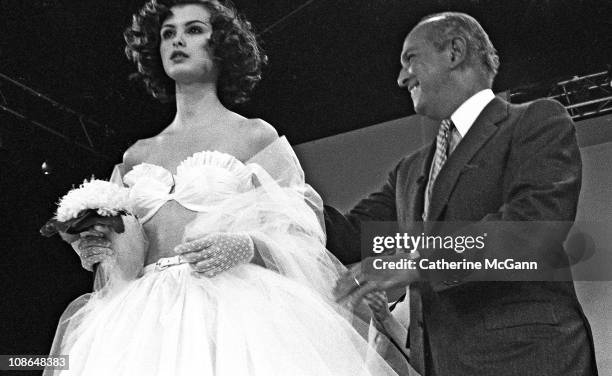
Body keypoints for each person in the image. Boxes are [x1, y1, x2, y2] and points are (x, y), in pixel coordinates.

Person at [44, 1, 399, 375]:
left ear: (222, 45)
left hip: (235, 310)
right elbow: (127, 266)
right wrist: (102, 246)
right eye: (168, 33)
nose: (177, 40)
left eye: (193, 30)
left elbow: (303, 235)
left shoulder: (253, 136)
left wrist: (250, 246)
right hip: (144, 319)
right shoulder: (136, 156)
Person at [325, 12, 598, 376]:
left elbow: (533, 229)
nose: (401, 77)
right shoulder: (408, 172)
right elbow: (349, 235)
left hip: (528, 360)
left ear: (454, 51)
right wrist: (274, 190)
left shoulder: (536, 122)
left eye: (411, 59)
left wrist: (416, 263)